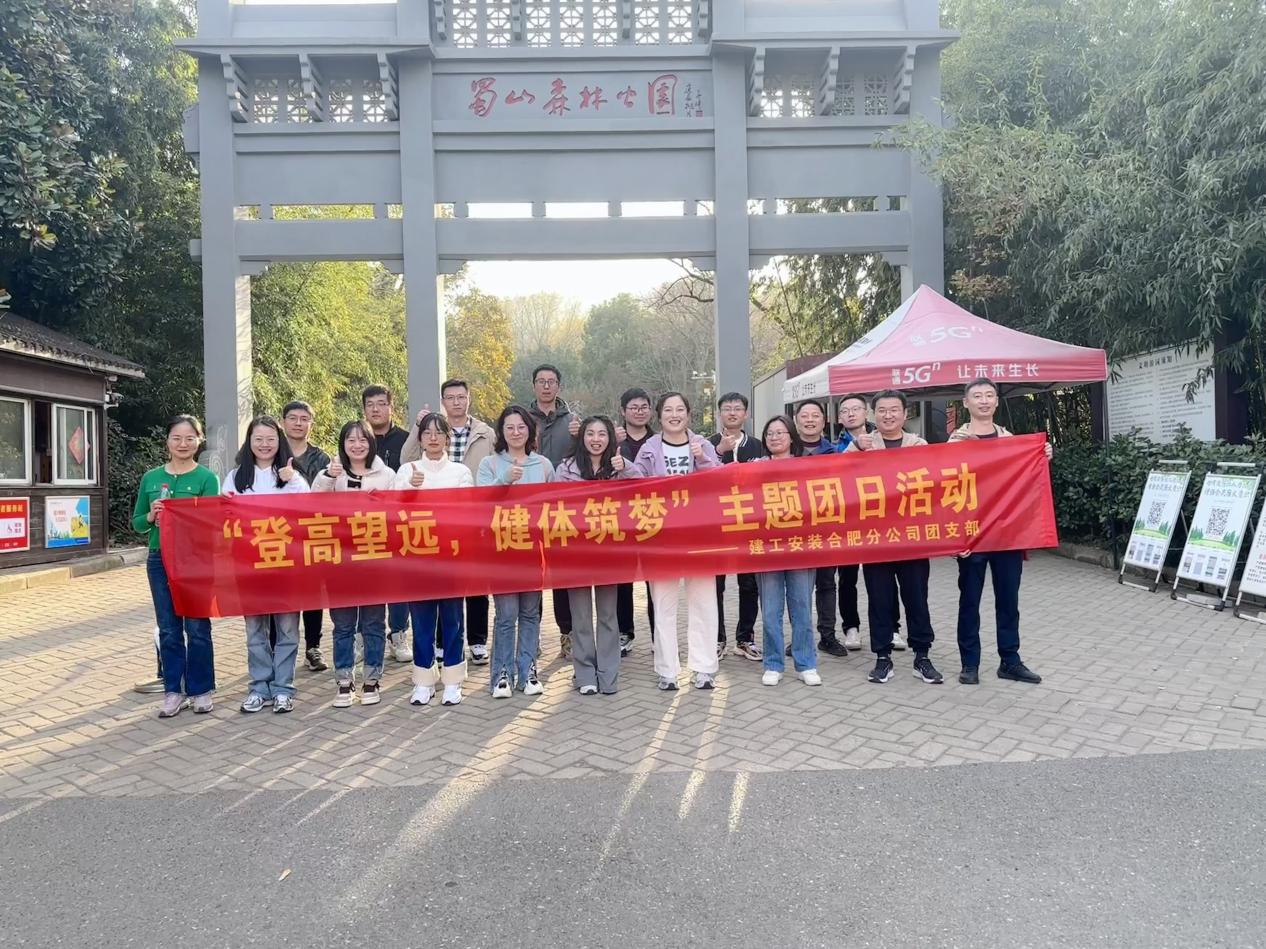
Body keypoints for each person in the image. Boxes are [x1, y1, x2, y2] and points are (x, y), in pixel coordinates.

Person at [949, 377, 1047, 686]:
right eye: (977, 396)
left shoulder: (1012, 441)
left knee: (1008, 600)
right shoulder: (955, 443)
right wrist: (955, 538)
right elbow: (946, 493)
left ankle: (1010, 661)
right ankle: (970, 663)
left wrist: (1041, 455)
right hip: (972, 534)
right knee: (970, 601)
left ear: (996, 401)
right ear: (966, 403)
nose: (984, 401)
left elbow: (1027, 484)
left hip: (1007, 533)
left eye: (989, 395)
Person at [848, 389, 942, 686]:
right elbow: (837, 478)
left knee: (917, 597)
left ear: (905, 413)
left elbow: (936, 482)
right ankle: (882, 657)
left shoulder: (919, 445)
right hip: (875, 537)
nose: (888, 415)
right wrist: (855, 449)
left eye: (894, 410)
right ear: (873, 414)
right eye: (882, 410)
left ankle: (922, 656)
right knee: (879, 598)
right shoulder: (862, 445)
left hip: (912, 537)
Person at [402, 379, 497, 666]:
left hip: (470, 521)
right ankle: (439, 649)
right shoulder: (429, 432)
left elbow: (493, 466)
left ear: (469, 399)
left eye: (461, 397)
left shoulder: (485, 433)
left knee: (474, 585)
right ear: (443, 401)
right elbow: (406, 460)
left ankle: (477, 641)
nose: (456, 402)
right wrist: (417, 429)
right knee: (438, 594)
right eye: (451, 397)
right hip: (427, 533)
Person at [132, 415, 221, 718]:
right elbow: (137, 523)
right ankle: (173, 691)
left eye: (190, 438)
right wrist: (151, 516)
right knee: (169, 629)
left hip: (195, 560)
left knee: (197, 628)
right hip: (160, 559)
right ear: (167, 441)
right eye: (177, 438)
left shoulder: (207, 479)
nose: (183, 444)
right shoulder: (151, 478)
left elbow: (211, 522)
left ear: (199, 441)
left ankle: (201, 690)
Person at [631, 392, 722, 690]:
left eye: (680, 409)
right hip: (662, 540)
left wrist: (702, 459)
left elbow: (720, 480)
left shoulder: (702, 444)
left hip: (700, 538)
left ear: (688, 414)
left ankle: (704, 668)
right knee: (663, 605)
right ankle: (667, 670)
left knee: (704, 603)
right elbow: (635, 487)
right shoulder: (649, 449)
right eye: (668, 410)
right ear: (659, 416)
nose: (674, 415)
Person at [221, 416, 310, 714]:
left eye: (270, 439)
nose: (264, 445)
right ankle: (259, 687)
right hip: (249, 565)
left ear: (279, 441)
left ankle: (283, 688)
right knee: (255, 630)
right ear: (249, 442)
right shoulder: (236, 477)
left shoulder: (291, 475)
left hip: (286, 564)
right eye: (258, 439)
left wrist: (292, 479)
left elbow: (310, 509)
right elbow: (225, 518)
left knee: (287, 629)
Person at [313, 420, 396, 707]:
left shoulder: (386, 475)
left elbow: (398, 515)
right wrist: (328, 477)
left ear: (371, 443)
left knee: (373, 622)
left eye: (363, 439)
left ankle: (372, 679)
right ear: (343, 444)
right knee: (343, 625)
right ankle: (344, 681)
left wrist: (381, 505)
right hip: (340, 561)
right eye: (351, 440)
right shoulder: (331, 473)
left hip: (374, 560)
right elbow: (312, 507)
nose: (357, 445)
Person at [394, 413, 475, 706]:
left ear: (447, 438)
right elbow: (393, 512)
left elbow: (466, 510)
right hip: (418, 557)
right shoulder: (407, 470)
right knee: (422, 621)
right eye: (427, 432)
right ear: (420, 438)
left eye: (439, 432)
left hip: (451, 556)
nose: (433, 437)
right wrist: (410, 489)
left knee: (453, 619)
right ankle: (424, 680)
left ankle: (452, 679)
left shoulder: (460, 471)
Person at [477, 405, 557, 698]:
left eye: (521, 427)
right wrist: (503, 480)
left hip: (533, 550)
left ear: (530, 431)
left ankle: (528, 671)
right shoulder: (489, 464)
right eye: (509, 427)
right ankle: (501, 674)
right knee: (506, 614)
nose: (515, 432)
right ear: (501, 431)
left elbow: (554, 507)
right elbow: (480, 502)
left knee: (530, 613)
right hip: (501, 550)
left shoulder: (543, 465)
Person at [556, 416, 640, 695]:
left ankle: (608, 674)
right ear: (582, 437)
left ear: (610, 438)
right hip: (576, 552)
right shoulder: (566, 468)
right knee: (580, 617)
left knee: (608, 615)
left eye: (602, 434)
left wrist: (626, 467)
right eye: (590, 433)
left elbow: (645, 489)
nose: (596, 439)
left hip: (609, 551)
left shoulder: (619, 466)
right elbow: (554, 505)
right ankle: (584, 675)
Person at [753, 415, 821, 687]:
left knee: (801, 606)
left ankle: (806, 663)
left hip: (800, 546)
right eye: (770, 433)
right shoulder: (755, 467)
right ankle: (773, 663)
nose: (775, 437)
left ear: (792, 437)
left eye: (780, 432)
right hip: (767, 548)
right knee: (771, 610)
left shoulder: (808, 466)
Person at [527, 364, 581, 661]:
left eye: (551, 381)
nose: (546, 386)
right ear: (534, 385)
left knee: (562, 575)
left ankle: (567, 634)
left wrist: (580, 435)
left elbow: (586, 456)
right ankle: (531, 634)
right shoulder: (523, 419)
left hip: (563, 509)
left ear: (559, 386)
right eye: (541, 381)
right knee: (532, 573)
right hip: (529, 508)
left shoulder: (573, 421)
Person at [793, 400, 851, 659]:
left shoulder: (836, 453)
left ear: (824, 420)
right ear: (796, 421)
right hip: (795, 529)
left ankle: (827, 636)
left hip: (827, 529)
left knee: (827, 584)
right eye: (804, 416)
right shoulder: (787, 453)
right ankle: (799, 637)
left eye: (815, 415)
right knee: (799, 587)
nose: (809, 420)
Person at [823, 393, 881, 652]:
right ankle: (851, 627)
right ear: (839, 417)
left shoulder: (883, 440)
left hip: (878, 518)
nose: (850, 414)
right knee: (847, 578)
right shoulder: (834, 447)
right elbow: (833, 472)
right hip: (846, 521)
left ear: (866, 412)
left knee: (881, 575)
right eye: (845, 411)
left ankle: (891, 627)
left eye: (856, 409)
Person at [709, 392, 763, 662]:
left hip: (749, 525)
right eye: (727, 409)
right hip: (716, 526)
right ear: (719, 413)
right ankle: (717, 639)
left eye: (738, 408)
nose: (732, 413)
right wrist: (719, 452)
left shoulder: (758, 446)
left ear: (746, 414)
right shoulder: (707, 445)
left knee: (749, 584)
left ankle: (745, 638)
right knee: (715, 585)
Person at [362, 384, 413, 664]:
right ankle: (365, 636)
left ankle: (399, 634)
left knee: (399, 582)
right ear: (364, 409)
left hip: (397, 524)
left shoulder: (405, 440)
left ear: (391, 407)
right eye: (370, 404)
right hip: (364, 525)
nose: (376, 409)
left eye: (381, 403)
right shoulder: (357, 438)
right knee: (367, 582)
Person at [280, 400, 332, 672]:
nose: (298, 423)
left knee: (313, 593)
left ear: (311, 424)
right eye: (293, 418)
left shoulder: (322, 458)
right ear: (283, 422)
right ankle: (281, 647)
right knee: (283, 592)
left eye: (304, 419)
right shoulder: (271, 451)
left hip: (313, 532)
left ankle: (313, 647)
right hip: (280, 533)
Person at [615, 387, 656, 656]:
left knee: (656, 579)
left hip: (653, 518)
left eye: (644, 407)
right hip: (622, 519)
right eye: (634, 407)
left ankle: (658, 634)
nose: (639, 412)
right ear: (623, 411)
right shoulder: (613, 440)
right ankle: (624, 632)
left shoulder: (659, 440)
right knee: (622, 579)